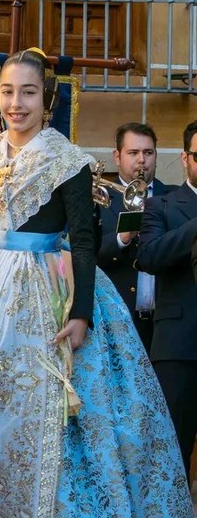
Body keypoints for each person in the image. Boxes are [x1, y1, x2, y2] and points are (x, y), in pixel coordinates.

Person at [0, 50, 197, 518]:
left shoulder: (66, 159)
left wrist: (80, 313)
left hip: (41, 296)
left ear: (47, 100)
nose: (15, 103)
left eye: (28, 92)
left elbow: (82, 239)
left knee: (41, 424)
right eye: (7, 91)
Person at [136, 119, 197, 518]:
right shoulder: (164, 204)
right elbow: (149, 256)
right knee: (175, 445)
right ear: (187, 158)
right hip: (180, 343)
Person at [98, 122, 167, 351]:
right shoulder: (99, 199)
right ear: (117, 157)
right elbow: (85, 253)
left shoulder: (173, 197)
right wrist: (123, 237)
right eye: (133, 153)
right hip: (116, 320)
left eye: (148, 152)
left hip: (166, 323)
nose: (142, 160)